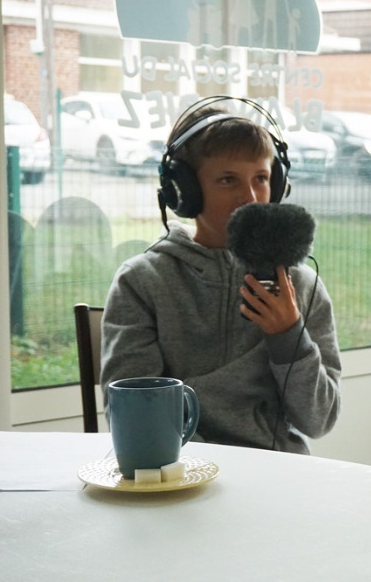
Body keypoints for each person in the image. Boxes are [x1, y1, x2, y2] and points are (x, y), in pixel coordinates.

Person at [100, 98, 341, 452]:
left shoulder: (301, 286)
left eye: (261, 179)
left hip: (276, 470)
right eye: (228, 180)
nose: (250, 197)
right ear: (184, 191)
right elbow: (135, 417)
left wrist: (288, 336)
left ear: (278, 185)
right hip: (179, 467)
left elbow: (319, 420)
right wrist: (209, 463)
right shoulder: (142, 282)